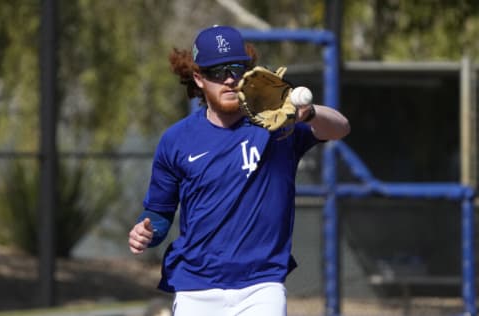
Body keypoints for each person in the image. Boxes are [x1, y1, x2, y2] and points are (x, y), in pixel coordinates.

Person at [128, 25, 350, 316]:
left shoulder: (277, 124)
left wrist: (306, 113)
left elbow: (340, 127)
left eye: (236, 68)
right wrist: (145, 231)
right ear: (199, 78)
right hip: (196, 286)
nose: (229, 79)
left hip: (261, 284)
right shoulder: (176, 140)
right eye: (217, 72)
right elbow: (159, 214)